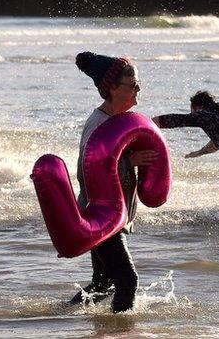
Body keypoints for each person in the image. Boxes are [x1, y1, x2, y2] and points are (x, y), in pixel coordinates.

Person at [68, 51, 158, 313]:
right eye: (133, 85)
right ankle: (122, 330)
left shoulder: (122, 122)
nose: (138, 89)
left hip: (115, 216)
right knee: (128, 280)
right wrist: (129, 163)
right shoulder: (98, 124)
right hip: (100, 216)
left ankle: (62, 315)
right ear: (113, 88)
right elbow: (86, 171)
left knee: (104, 283)